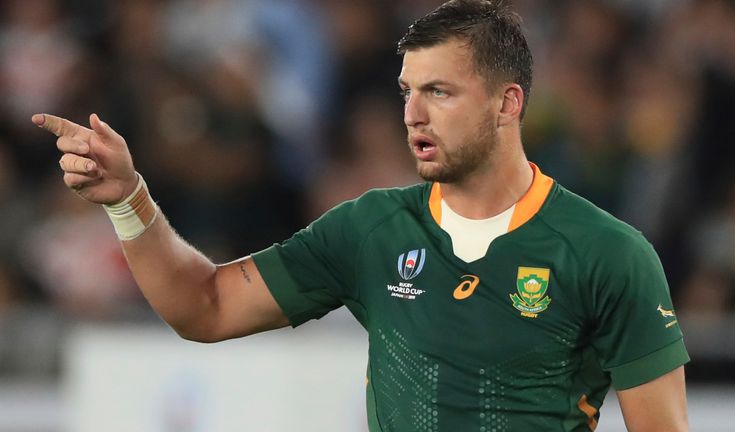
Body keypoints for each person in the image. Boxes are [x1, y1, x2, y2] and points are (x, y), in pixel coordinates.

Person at [33, 1, 689, 430]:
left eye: (440, 92)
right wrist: (128, 200)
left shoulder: (607, 253)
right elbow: (202, 306)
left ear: (508, 103)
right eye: (407, 91)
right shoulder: (370, 230)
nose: (414, 114)